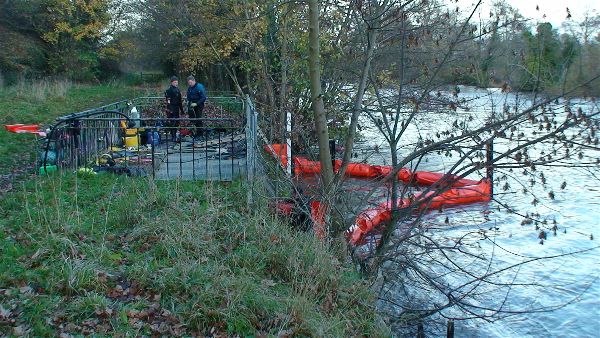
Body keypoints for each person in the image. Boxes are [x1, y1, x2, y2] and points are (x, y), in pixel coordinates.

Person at [164, 76, 183, 141]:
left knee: (177, 122)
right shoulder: (169, 90)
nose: (176, 83)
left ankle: (175, 134)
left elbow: (180, 100)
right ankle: (173, 136)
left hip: (177, 108)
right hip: (171, 108)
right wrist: (170, 108)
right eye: (175, 82)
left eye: (177, 82)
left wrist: (182, 110)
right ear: (172, 82)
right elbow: (168, 100)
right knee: (173, 122)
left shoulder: (177, 89)